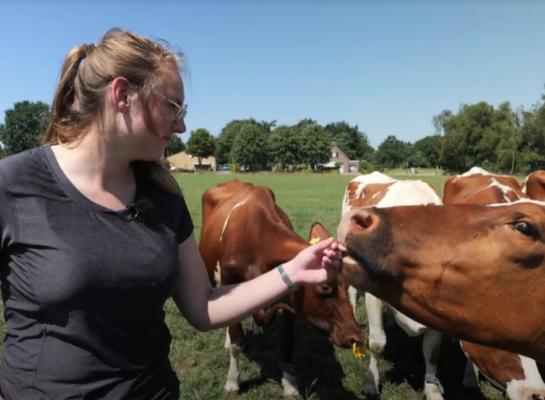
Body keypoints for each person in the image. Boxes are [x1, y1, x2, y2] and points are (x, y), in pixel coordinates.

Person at [0, 28, 344, 400]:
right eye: (173, 107)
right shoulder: (13, 184)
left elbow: (203, 308)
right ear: (122, 95)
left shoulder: (164, 196)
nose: (181, 126)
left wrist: (292, 271)